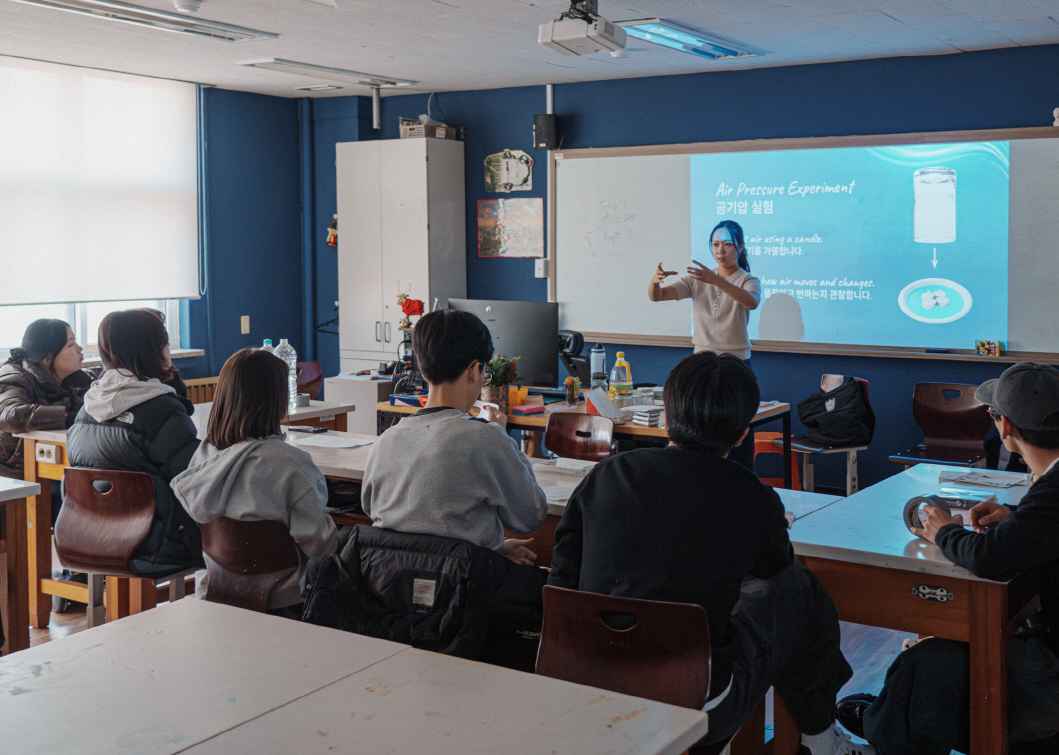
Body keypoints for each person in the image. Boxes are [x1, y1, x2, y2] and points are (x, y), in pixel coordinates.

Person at [844, 362, 1059, 755]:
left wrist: (942, 529)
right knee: (935, 671)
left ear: (1004, 427)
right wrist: (1017, 517)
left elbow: (988, 557)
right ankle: (888, 720)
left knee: (928, 666)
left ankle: (883, 727)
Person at [549, 352, 855, 753]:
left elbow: (561, 575)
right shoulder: (751, 496)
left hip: (580, 676)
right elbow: (774, 571)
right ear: (744, 432)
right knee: (798, 585)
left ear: (667, 416)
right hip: (696, 700)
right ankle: (818, 737)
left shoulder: (608, 473)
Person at [361, 308, 548, 559]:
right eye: (485, 372)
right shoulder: (485, 438)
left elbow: (384, 518)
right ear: (473, 370)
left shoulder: (386, 440)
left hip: (394, 587)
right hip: (462, 590)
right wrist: (501, 437)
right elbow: (530, 515)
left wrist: (493, 548)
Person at [171, 348, 337, 615]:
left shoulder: (203, 455)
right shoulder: (291, 463)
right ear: (277, 399)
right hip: (284, 599)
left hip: (215, 588)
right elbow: (319, 544)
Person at [67, 309, 203, 573]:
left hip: (87, 537)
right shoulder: (163, 410)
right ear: (152, 348)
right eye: (164, 340)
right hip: (157, 546)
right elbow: (195, 480)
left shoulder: (86, 411)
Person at [648, 220, 762, 468]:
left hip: (736, 366)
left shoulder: (747, 279)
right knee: (697, 431)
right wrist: (655, 281)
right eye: (715, 245)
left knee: (735, 433)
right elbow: (657, 296)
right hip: (701, 365)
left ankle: (741, 480)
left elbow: (751, 302)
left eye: (728, 245)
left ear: (740, 247)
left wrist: (716, 280)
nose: (721, 250)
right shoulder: (697, 280)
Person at [1, 319, 92, 485]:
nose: (80, 349)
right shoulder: (15, 378)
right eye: (71, 345)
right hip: (17, 475)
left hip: (55, 466)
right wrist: (70, 417)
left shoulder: (81, 379)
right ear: (48, 358)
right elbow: (11, 415)